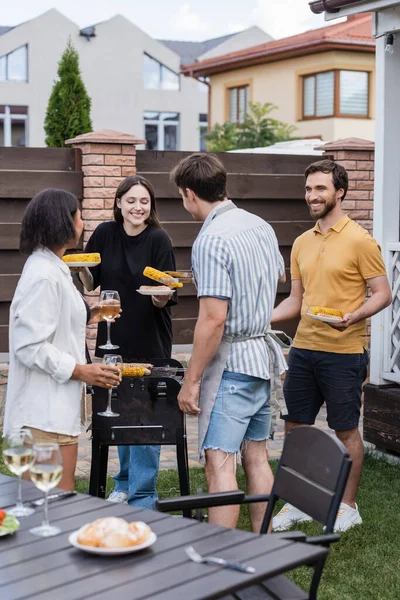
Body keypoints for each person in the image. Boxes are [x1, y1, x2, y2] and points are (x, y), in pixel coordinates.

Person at [271, 159, 392, 533]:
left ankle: (347, 505)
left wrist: (353, 316)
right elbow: (296, 301)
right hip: (304, 349)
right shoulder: (303, 243)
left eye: (320, 189)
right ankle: (297, 501)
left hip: (344, 352)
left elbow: (383, 293)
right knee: (295, 428)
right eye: (308, 189)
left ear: (339, 192)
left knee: (344, 431)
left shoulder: (360, 240)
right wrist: (260, 319)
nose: (312, 196)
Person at [171, 153, 286, 532]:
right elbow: (276, 279)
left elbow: (214, 319)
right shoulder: (261, 225)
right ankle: (265, 552)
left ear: (190, 194)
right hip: (262, 358)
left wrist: (191, 380)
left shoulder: (211, 239)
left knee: (219, 464)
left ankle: (222, 567)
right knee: (256, 458)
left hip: (232, 365)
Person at [4, 189, 121, 491]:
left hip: (55, 411)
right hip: (43, 415)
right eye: (79, 216)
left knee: (58, 502)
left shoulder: (54, 267)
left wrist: (90, 314)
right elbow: (29, 346)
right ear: (63, 223)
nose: (83, 223)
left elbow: (53, 322)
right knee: (50, 504)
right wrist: (82, 371)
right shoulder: (44, 275)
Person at [79, 175, 177, 509]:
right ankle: (122, 484)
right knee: (120, 414)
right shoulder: (105, 233)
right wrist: (79, 268)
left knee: (146, 419)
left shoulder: (158, 239)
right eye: (131, 200)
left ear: (151, 206)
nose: (138, 207)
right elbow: (91, 279)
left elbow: (165, 293)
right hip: (113, 341)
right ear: (118, 202)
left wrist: (162, 296)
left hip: (151, 341)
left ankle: (143, 494)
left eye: (144, 201)